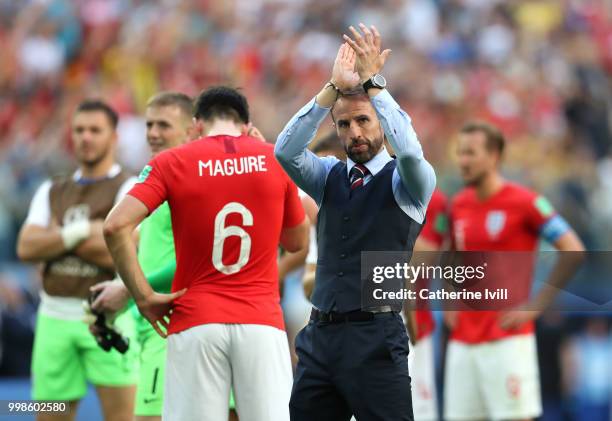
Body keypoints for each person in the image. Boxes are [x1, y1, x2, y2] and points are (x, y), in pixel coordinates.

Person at [103, 86, 309, 421]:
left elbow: (114, 227)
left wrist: (142, 297)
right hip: (261, 320)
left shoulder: (171, 162)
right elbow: (297, 241)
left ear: (196, 125)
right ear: (246, 125)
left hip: (195, 318)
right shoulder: (275, 159)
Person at [275, 24, 436, 420]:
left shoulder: (407, 181)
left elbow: (412, 153)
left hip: (376, 338)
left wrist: (374, 85)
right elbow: (285, 151)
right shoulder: (328, 176)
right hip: (320, 338)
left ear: (381, 120)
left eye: (363, 120)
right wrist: (330, 89)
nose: (354, 132)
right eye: (344, 125)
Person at [444, 121, 585, 421]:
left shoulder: (527, 202)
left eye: (471, 153)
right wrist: (450, 297)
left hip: (507, 338)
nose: (462, 161)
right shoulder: (458, 205)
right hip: (462, 342)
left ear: (494, 156)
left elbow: (573, 250)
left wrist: (536, 306)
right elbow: (451, 254)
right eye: (460, 153)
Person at [16, 100, 139, 421]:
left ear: (113, 137)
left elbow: (125, 249)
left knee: (123, 417)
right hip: (53, 317)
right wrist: (84, 231)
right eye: (79, 130)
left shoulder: (129, 186)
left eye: (95, 130)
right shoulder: (52, 189)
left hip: (107, 319)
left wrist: (56, 240)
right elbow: (26, 248)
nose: (86, 137)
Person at [89, 92, 202, 421]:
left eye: (163, 125)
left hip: (171, 325)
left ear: (192, 129)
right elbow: (149, 251)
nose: (152, 133)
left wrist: (127, 291)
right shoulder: (158, 178)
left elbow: (199, 257)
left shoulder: (190, 182)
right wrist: (118, 292)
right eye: (149, 124)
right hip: (154, 326)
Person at [408, 188, 447, 421]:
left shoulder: (433, 198)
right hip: (362, 325)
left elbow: (431, 256)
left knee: (418, 411)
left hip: (416, 328)